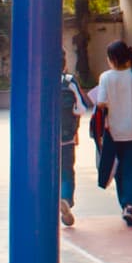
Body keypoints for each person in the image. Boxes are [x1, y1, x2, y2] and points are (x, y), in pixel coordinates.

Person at [89, 39, 132, 227]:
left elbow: (101, 103)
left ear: (112, 59)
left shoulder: (106, 78)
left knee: (117, 171)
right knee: (131, 171)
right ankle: (131, 206)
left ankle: (124, 205)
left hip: (113, 133)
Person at [57, 59, 93, 227]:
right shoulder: (69, 81)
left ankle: (47, 204)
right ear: (65, 63)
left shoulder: (40, 80)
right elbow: (83, 107)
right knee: (66, 172)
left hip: (44, 141)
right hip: (66, 137)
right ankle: (65, 199)